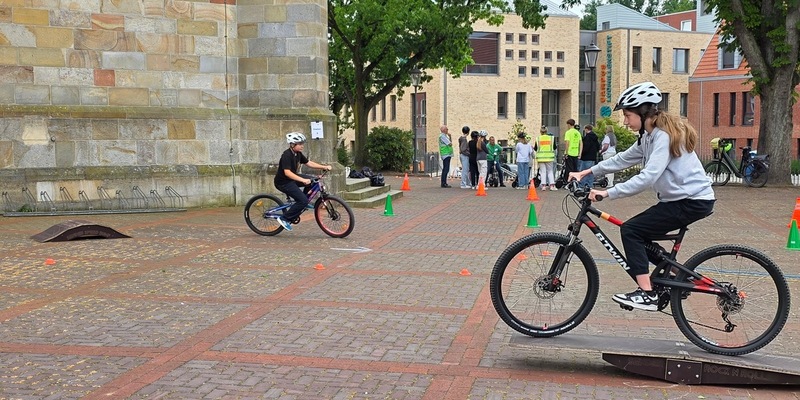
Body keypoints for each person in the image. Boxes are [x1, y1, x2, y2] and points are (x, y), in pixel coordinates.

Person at [568, 81, 715, 312]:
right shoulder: (647, 137)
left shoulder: (662, 137)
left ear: (642, 111)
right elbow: (622, 159)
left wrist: (607, 193)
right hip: (679, 201)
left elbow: (647, 177)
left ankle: (647, 294)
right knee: (637, 232)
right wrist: (586, 171)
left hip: (692, 201)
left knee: (631, 231)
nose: (625, 121)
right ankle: (678, 274)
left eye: (627, 115)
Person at [274, 132, 333, 231]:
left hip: (292, 178)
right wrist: (303, 180)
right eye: (300, 144)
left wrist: (324, 166)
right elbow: (287, 173)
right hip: (283, 182)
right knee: (303, 201)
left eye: (302, 144)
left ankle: (302, 202)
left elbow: (309, 163)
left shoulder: (298, 154)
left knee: (313, 181)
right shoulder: (286, 155)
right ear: (293, 144)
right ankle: (284, 218)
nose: (302, 146)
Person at [534, 125, 556, 191]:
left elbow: (535, 148)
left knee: (543, 172)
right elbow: (554, 147)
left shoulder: (538, 139)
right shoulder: (551, 138)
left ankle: (543, 186)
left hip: (541, 158)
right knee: (550, 171)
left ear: (540, 131)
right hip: (549, 157)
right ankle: (552, 185)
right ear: (547, 131)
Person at [579, 124, 600, 189]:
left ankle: (582, 185)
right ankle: (590, 185)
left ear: (586, 129)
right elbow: (598, 147)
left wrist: (582, 154)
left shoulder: (587, 137)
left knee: (584, 171)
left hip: (586, 157)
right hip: (593, 157)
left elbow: (586, 147)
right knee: (591, 172)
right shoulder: (595, 137)